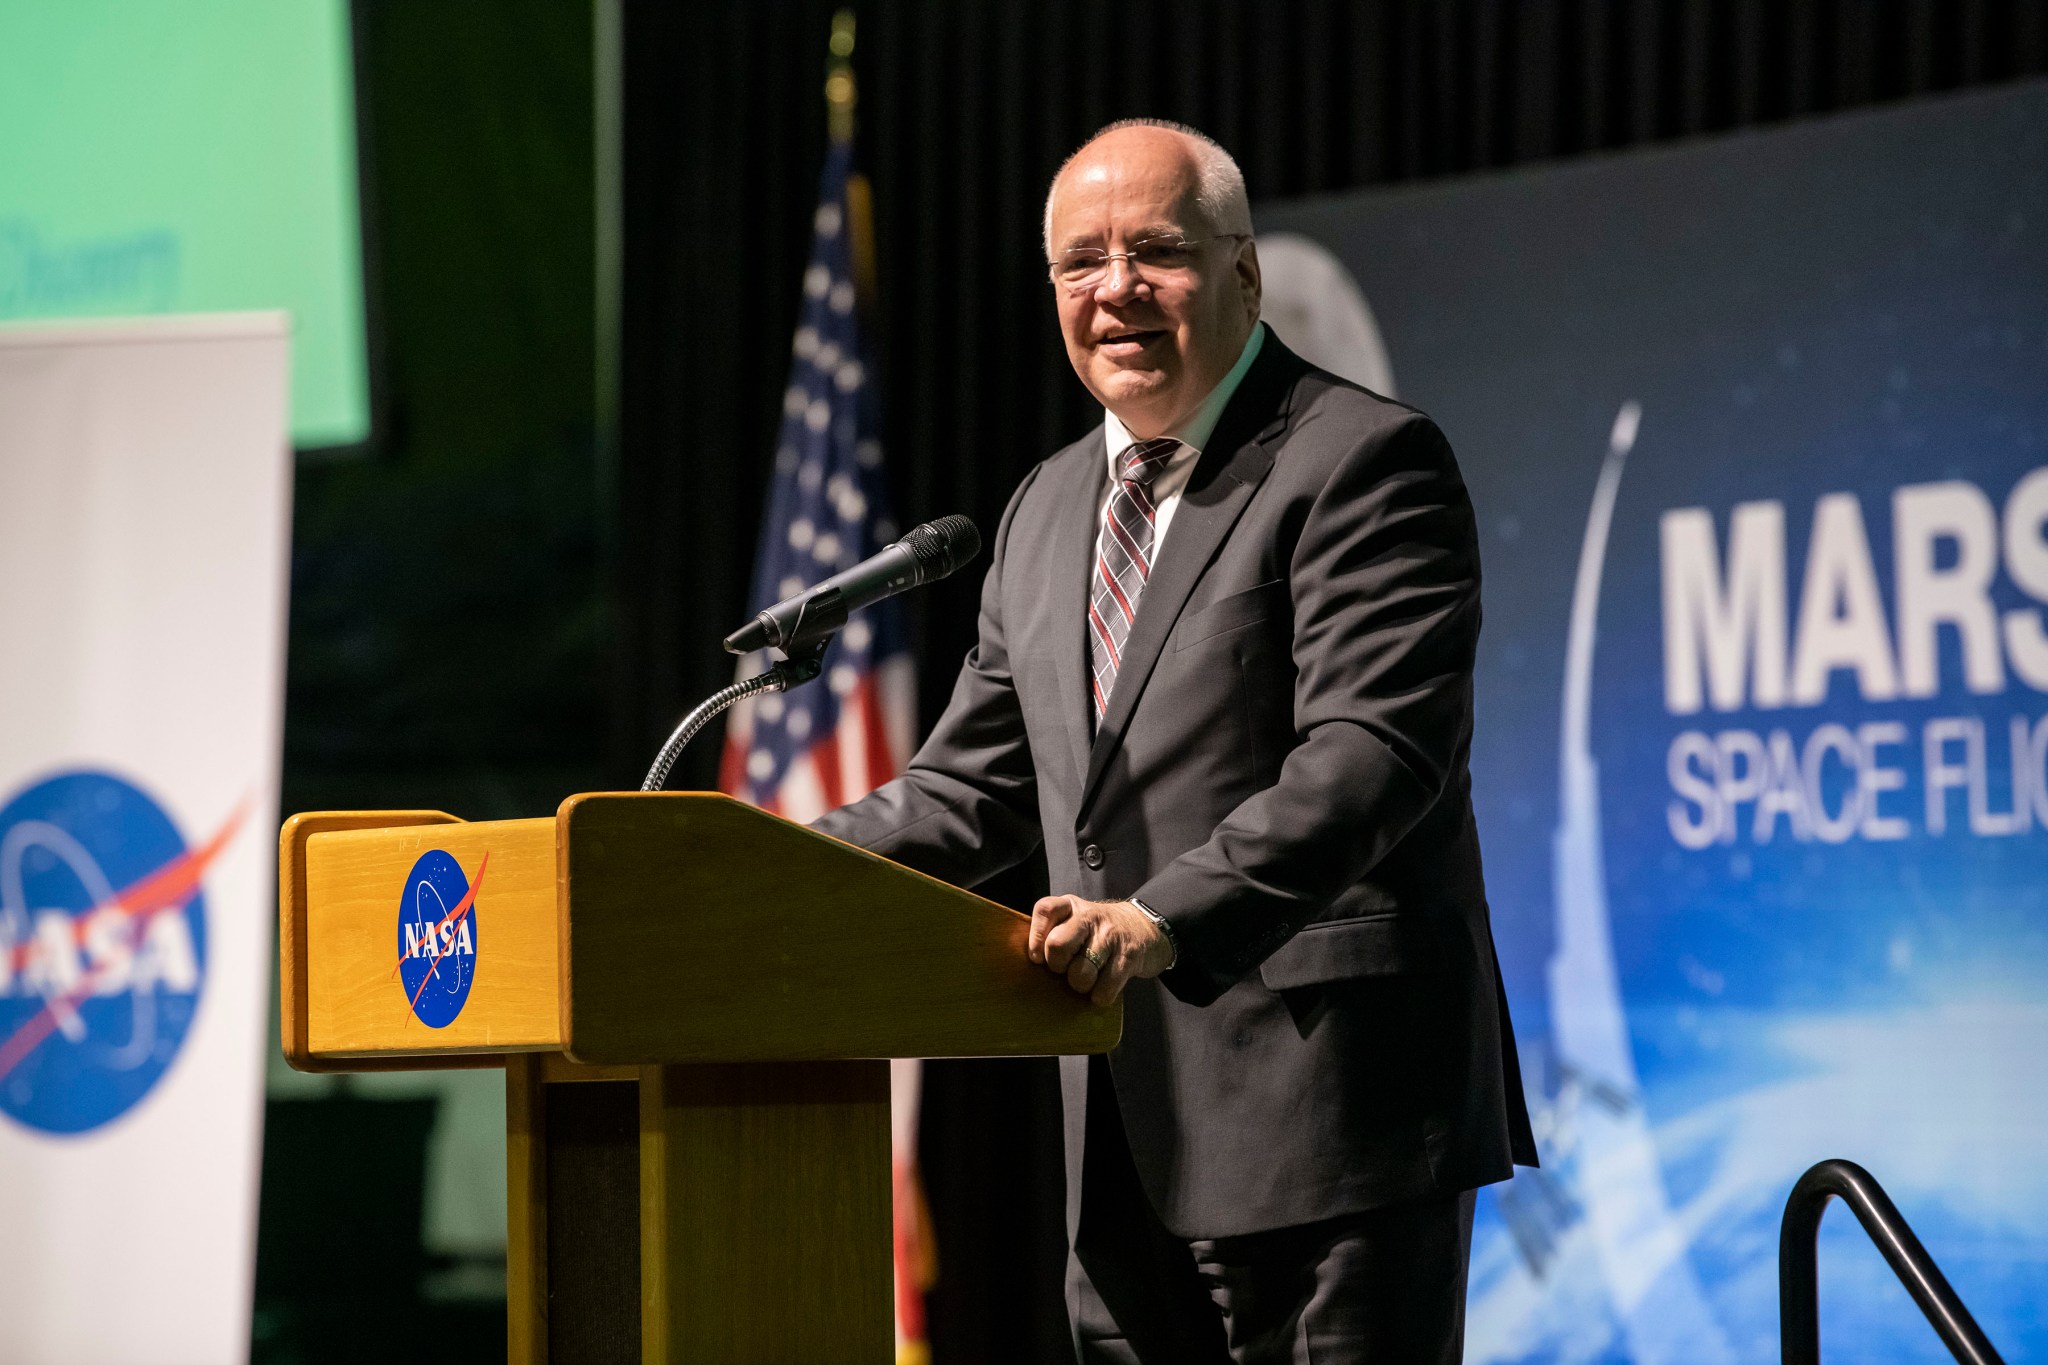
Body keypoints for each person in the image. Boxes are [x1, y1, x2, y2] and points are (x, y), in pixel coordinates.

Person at [813, 118, 1535, 1364]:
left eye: (1155, 250)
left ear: (1243, 271)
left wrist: (1160, 919)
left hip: (1329, 1117)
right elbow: (975, 791)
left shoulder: (1359, 462)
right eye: (1080, 263)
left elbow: (1371, 756)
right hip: (1123, 1134)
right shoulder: (1044, 509)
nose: (1116, 290)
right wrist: (763, 861)